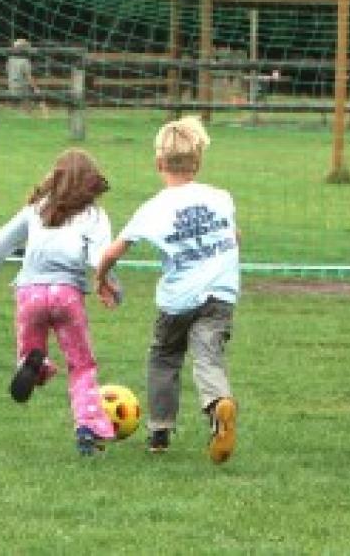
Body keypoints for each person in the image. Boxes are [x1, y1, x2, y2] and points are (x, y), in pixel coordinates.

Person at [94, 116, 240, 463]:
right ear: (198, 161)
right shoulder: (221, 197)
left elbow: (113, 251)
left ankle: (159, 431)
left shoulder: (153, 208)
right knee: (209, 354)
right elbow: (235, 237)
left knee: (164, 357)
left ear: (159, 163)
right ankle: (218, 402)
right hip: (220, 293)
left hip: (177, 299)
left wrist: (101, 279)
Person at [0, 148, 118, 456]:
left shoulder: (35, 210)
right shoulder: (95, 216)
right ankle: (87, 429)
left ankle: (35, 365)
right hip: (66, 296)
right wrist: (110, 284)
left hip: (29, 294)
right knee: (81, 365)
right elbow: (99, 257)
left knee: (30, 351)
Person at [7, 39, 49, 117]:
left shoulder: (10, 60)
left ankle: (30, 114)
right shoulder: (24, 61)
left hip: (12, 85)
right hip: (22, 86)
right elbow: (29, 77)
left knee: (23, 105)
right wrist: (36, 88)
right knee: (38, 96)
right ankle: (45, 115)